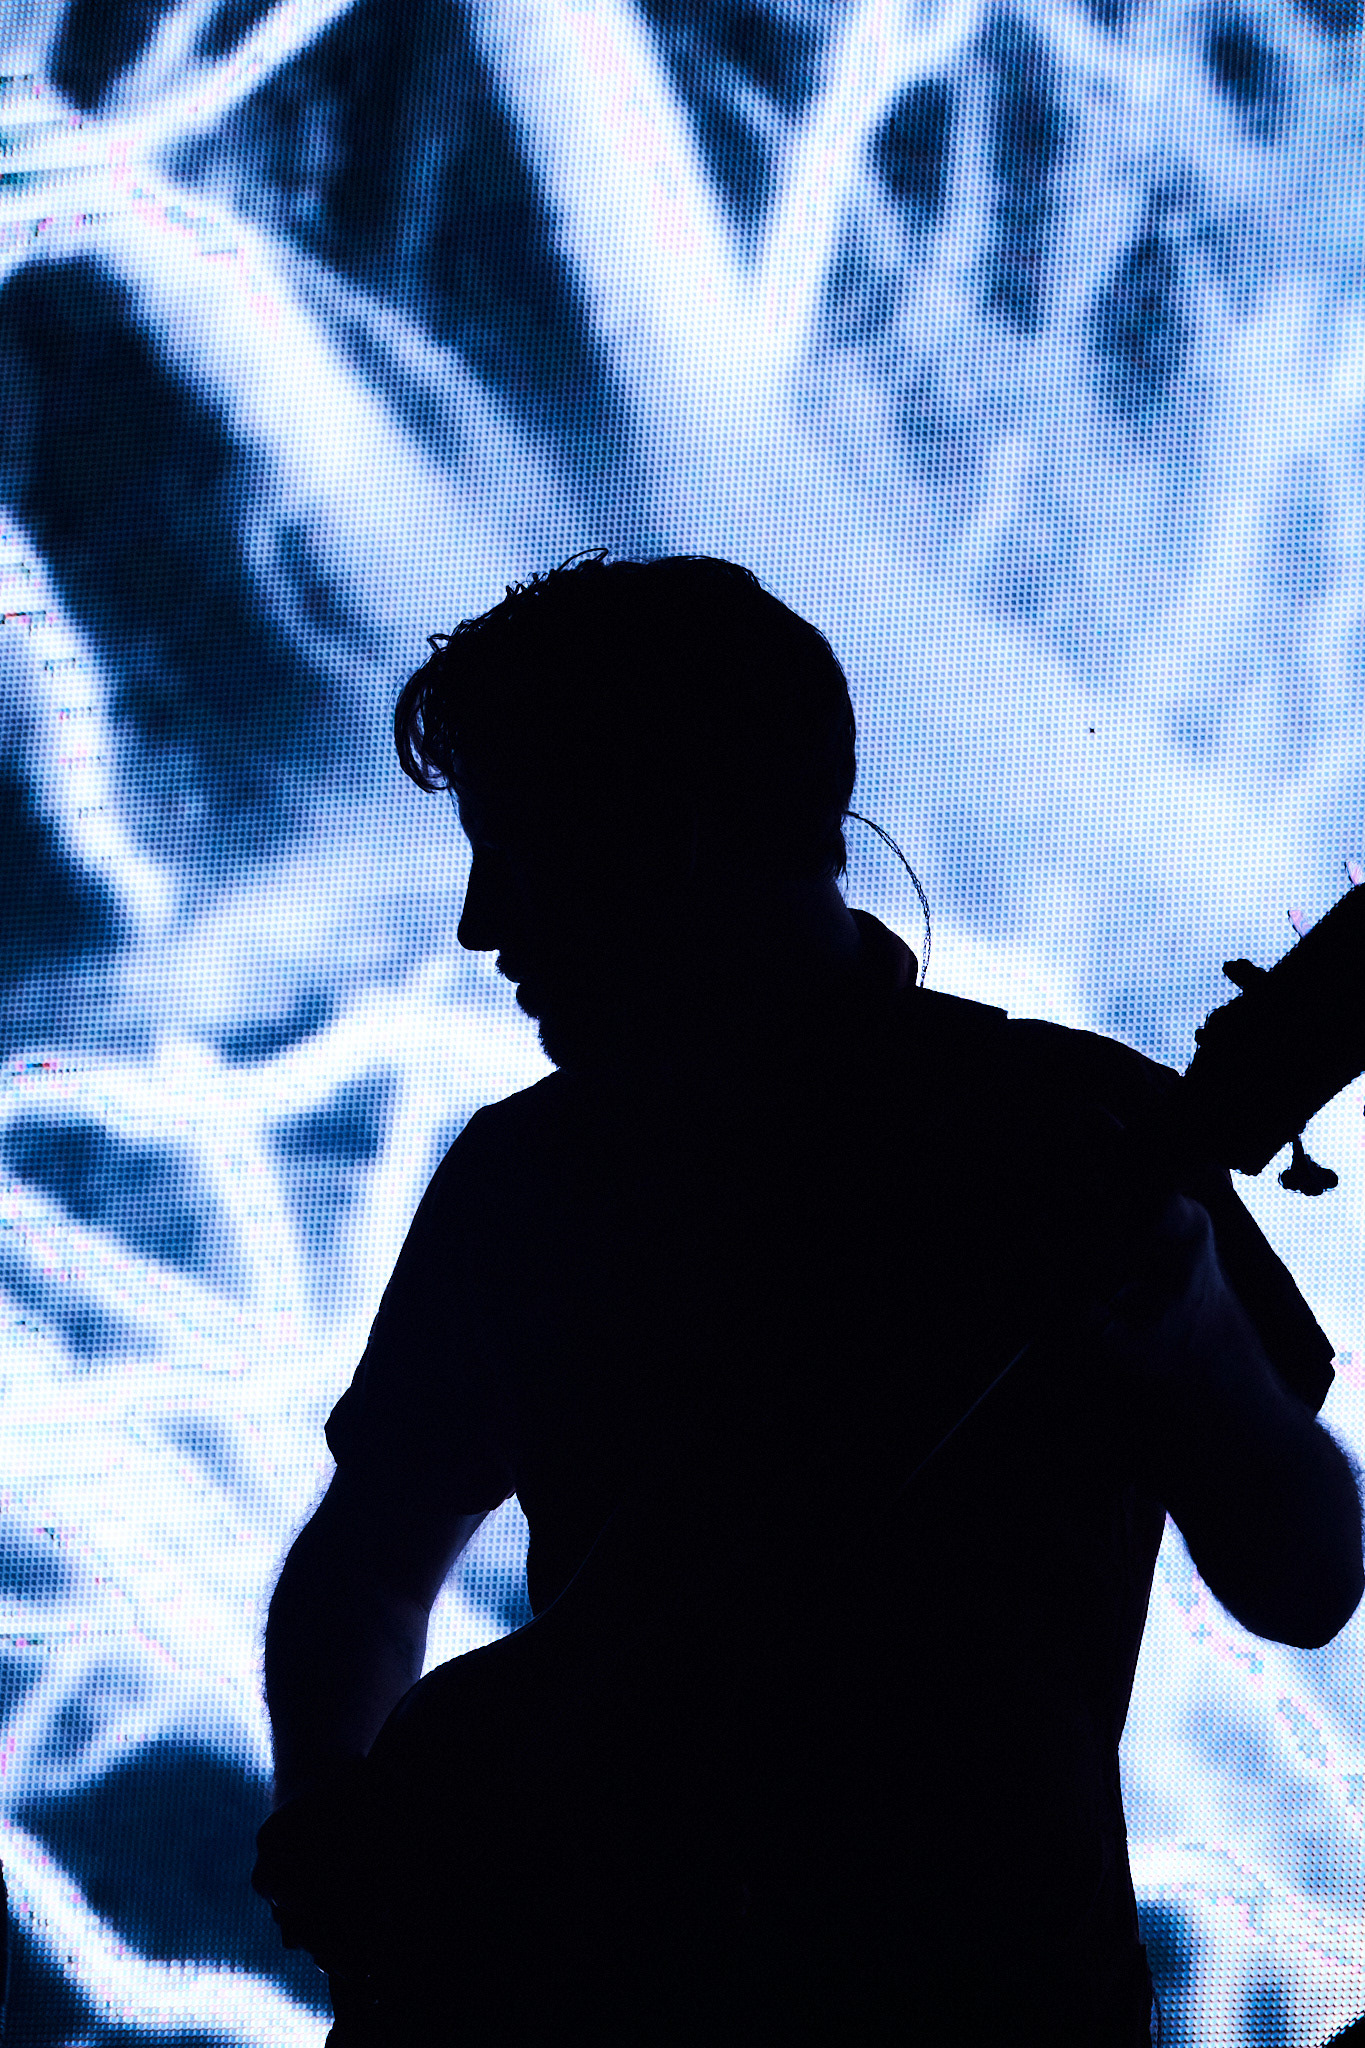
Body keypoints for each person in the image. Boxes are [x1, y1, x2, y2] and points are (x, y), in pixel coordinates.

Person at [255, 553, 1364, 2045]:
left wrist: (1202, 1339)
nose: (479, 923)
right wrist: (342, 1832)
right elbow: (369, 1568)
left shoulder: (1070, 1133)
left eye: (517, 851)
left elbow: (1307, 1582)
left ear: (666, 832)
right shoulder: (524, 1176)